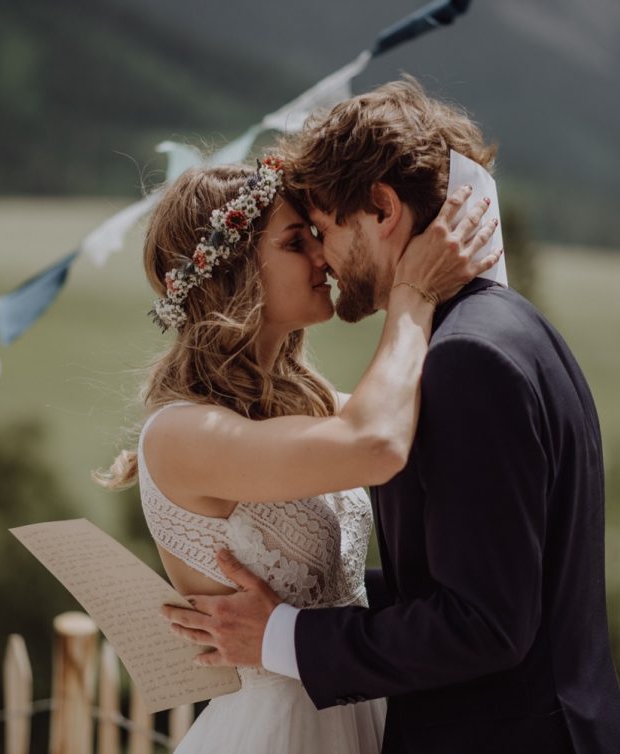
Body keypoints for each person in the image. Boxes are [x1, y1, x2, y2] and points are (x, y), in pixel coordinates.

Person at [164, 79, 620, 754]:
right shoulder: (513, 328)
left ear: (381, 208)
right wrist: (303, 603)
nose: (322, 257)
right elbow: (468, 573)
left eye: (322, 229)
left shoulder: (466, 360)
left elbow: (484, 624)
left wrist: (282, 638)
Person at [97, 152, 500, 754]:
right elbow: (377, 442)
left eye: (316, 235)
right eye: (295, 242)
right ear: (233, 272)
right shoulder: (180, 435)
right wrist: (413, 291)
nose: (322, 255)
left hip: (356, 707)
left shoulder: (307, 406)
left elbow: (416, 420)